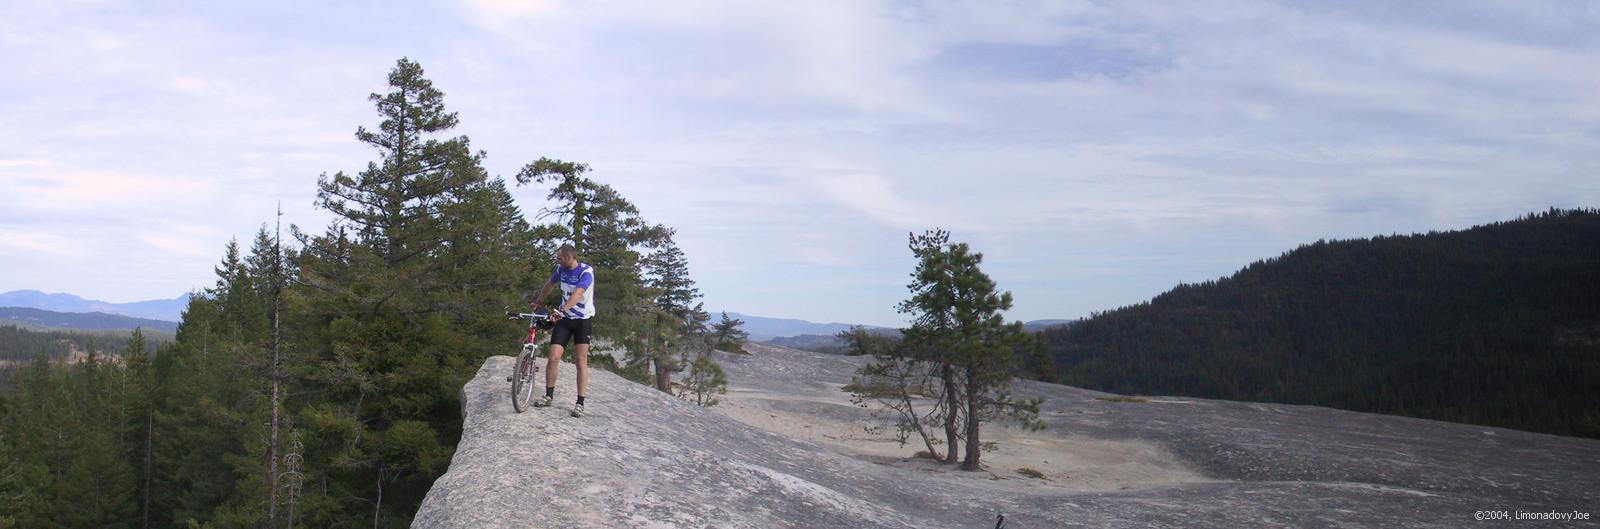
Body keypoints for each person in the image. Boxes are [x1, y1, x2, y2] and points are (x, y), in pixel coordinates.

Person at [529, 244, 595, 417]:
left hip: (582, 320)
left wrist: (562, 310)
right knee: (553, 357)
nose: (558, 260)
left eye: (560, 258)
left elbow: (579, 293)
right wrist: (539, 301)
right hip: (564, 320)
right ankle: (548, 396)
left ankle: (580, 403)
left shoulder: (586, 272)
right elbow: (549, 284)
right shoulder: (561, 270)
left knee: (580, 361)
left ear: (569, 258)